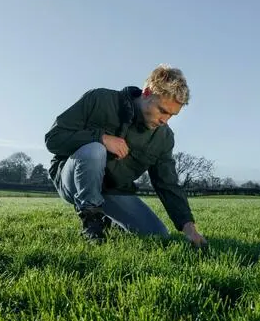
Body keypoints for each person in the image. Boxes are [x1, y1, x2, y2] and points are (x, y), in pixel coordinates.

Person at [44, 64, 209, 250]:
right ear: (147, 93)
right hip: (73, 180)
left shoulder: (164, 137)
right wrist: (101, 137)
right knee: (94, 150)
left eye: (172, 115)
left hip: (113, 191)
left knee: (157, 234)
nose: (165, 120)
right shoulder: (100, 99)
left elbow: (167, 183)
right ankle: (92, 224)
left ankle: (108, 219)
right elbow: (53, 139)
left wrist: (189, 227)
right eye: (162, 110)